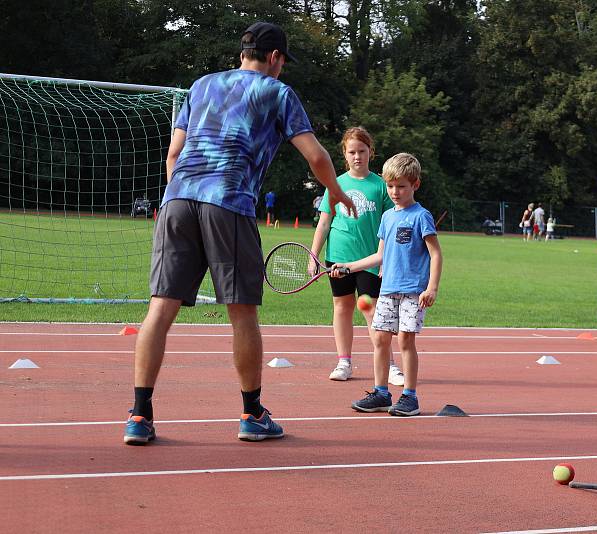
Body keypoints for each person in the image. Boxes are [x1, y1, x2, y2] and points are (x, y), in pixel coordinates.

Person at [124, 21, 357, 445]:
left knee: (160, 309)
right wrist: (337, 192)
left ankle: (139, 416)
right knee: (242, 313)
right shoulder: (276, 92)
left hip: (177, 200)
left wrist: (182, 192)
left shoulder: (201, 85)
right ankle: (252, 414)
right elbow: (316, 155)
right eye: (283, 61)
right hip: (228, 203)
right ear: (274, 58)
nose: (283, 69)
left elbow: (174, 153)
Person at [331, 153, 443, 417]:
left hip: (413, 291)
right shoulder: (387, 217)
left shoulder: (421, 216)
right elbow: (379, 256)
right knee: (380, 339)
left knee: (405, 340)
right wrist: (349, 266)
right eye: (391, 186)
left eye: (401, 186)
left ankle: (410, 397)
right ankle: (381, 393)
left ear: (415, 185)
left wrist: (432, 287)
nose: (395, 191)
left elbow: (436, 254)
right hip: (388, 289)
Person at [309, 126, 403, 384]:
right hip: (338, 257)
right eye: (352, 152)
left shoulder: (381, 186)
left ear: (370, 152)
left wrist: (387, 259)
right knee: (342, 307)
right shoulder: (335, 184)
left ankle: (389, 364)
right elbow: (324, 223)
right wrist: (313, 255)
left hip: (370, 260)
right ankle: (344, 362)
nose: (357, 156)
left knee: (373, 311)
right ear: (344, 154)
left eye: (362, 151)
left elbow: (392, 225)